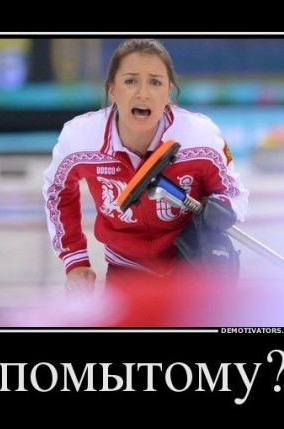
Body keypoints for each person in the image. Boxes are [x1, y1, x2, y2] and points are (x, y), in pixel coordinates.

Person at [42, 39, 249, 295]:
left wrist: (224, 208)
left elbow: (234, 193)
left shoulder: (200, 137)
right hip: (126, 267)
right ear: (112, 90)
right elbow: (57, 190)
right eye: (130, 81)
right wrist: (74, 259)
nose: (143, 93)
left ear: (168, 92)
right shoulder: (80, 138)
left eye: (155, 82)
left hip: (191, 265)